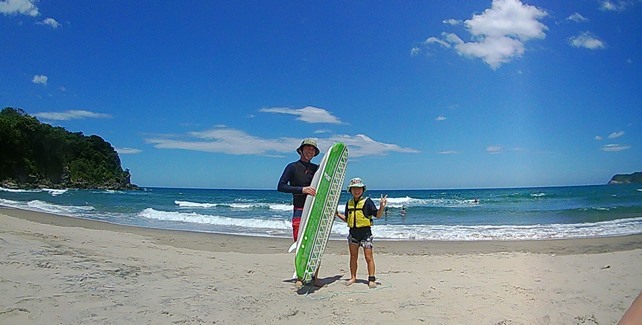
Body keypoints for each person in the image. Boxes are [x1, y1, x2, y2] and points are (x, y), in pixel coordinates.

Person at [277, 138, 322, 287]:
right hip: (299, 209)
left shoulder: (318, 169)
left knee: (316, 243)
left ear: (315, 153)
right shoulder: (292, 167)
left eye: (312, 149)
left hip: (315, 210)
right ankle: (300, 276)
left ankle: (315, 277)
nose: (310, 151)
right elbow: (281, 186)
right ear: (301, 150)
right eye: (307, 148)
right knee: (300, 242)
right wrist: (302, 190)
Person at [335, 177, 387, 289]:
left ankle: (371, 279)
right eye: (354, 188)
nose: (356, 191)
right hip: (353, 233)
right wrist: (337, 214)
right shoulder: (349, 203)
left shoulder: (367, 202)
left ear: (363, 190)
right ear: (350, 190)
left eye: (359, 188)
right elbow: (348, 219)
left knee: (369, 257)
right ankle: (353, 277)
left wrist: (382, 207)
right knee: (353, 257)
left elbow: (377, 215)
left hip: (365, 233)